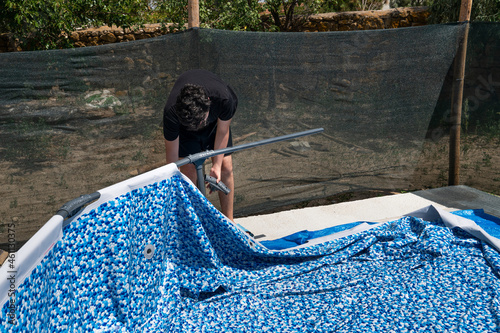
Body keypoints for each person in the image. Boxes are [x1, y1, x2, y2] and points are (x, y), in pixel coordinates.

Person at [163, 69, 237, 220]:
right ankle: (195, 222)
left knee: (225, 166)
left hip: (214, 126)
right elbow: (172, 159)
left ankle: (230, 221)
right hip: (185, 131)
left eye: (201, 122)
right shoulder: (171, 113)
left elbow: (223, 131)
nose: (198, 127)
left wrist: (216, 165)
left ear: (209, 103)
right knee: (188, 173)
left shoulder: (224, 98)